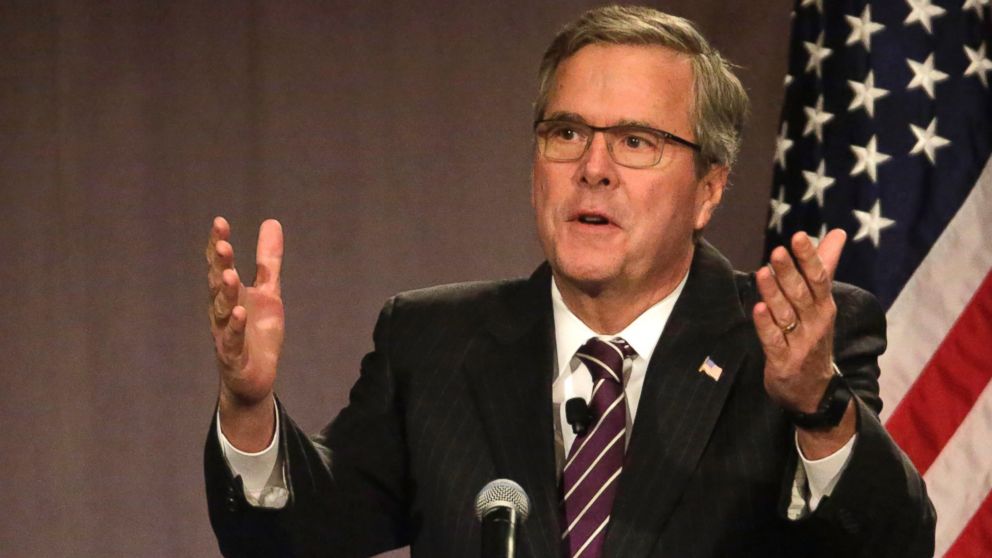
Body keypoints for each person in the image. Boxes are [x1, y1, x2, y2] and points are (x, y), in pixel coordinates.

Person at [204, 6, 935, 557]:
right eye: (567, 133)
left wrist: (818, 406)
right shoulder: (434, 343)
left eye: (636, 141)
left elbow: (892, 546)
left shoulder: (786, 340)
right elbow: (298, 538)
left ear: (709, 188)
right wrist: (248, 409)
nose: (593, 166)